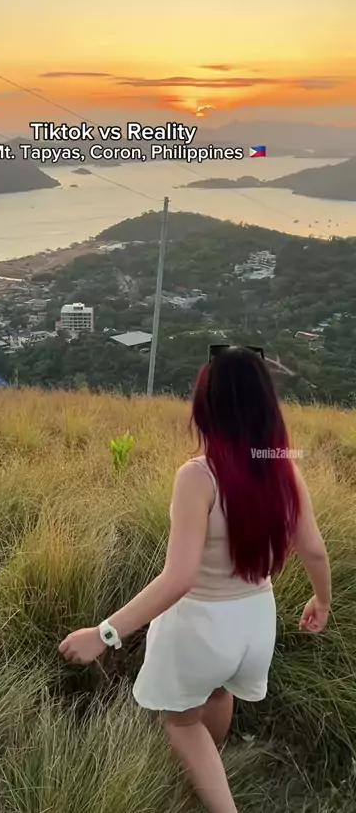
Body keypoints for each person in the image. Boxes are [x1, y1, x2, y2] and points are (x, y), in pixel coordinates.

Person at [58, 345, 332, 813]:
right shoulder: (284, 469)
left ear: (206, 407)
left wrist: (103, 634)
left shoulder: (199, 477)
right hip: (256, 624)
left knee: (182, 723)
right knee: (219, 689)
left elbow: (179, 578)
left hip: (202, 626)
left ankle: (216, 793)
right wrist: (321, 602)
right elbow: (314, 549)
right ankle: (209, 767)